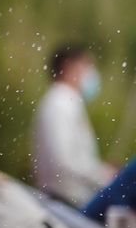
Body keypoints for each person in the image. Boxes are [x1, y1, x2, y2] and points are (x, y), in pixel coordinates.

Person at [32, 44, 114, 208]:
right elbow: (64, 160)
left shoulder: (66, 101)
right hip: (65, 201)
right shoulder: (60, 101)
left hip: (68, 199)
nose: (91, 72)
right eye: (87, 65)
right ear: (69, 67)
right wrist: (104, 174)